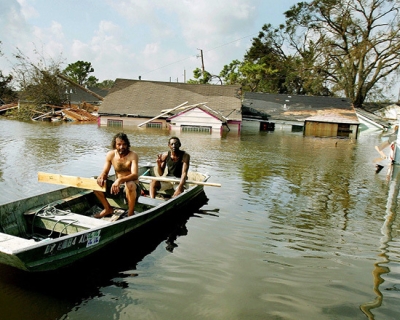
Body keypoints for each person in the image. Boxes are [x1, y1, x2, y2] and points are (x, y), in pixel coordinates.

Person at [93, 132, 139, 218]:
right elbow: (105, 172)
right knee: (94, 182)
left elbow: (135, 175)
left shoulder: (133, 155)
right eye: (119, 144)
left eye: (124, 144)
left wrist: (120, 180)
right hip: (117, 187)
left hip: (132, 188)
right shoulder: (111, 155)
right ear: (115, 145)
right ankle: (107, 209)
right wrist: (102, 175)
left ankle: (131, 213)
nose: (122, 147)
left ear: (127, 144)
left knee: (130, 184)